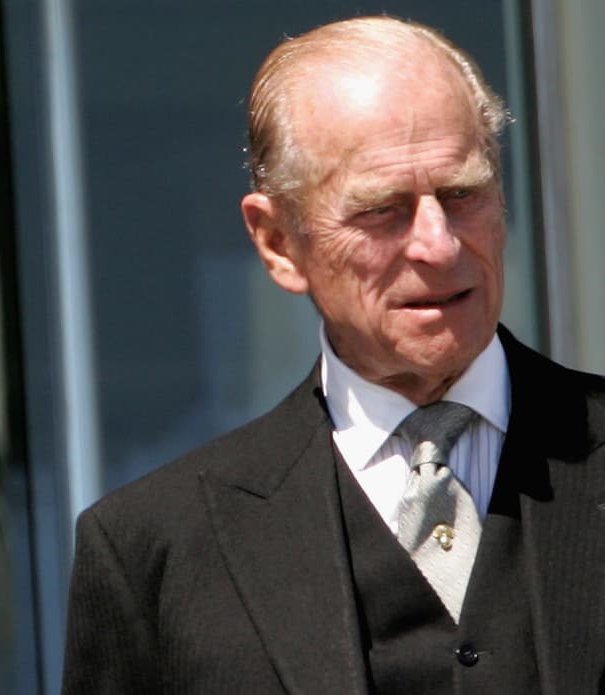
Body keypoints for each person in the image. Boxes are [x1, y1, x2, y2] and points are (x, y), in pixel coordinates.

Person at [62, 15, 605, 694]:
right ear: (278, 242)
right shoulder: (156, 549)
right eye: (384, 209)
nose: (438, 244)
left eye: (462, 194)